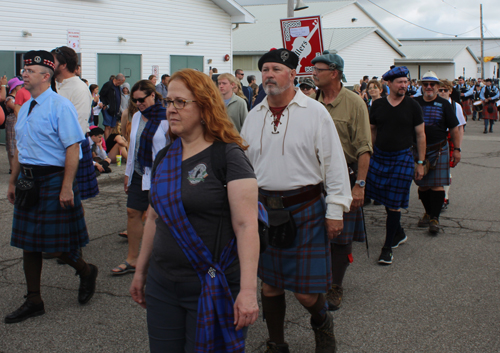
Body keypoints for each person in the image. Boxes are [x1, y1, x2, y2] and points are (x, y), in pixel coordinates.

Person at [130, 68, 259, 352]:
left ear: (204, 107)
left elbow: (247, 226)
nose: (171, 109)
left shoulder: (228, 156)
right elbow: (153, 216)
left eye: (181, 102)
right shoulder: (165, 155)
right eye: (168, 102)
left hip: (210, 279)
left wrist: (249, 291)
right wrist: (141, 271)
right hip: (162, 282)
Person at [241, 48, 352, 353]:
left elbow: (334, 164)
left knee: (305, 293)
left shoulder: (314, 113)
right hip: (264, 210)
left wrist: (335, 210)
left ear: (292, 74)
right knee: (270, 284)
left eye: (276, 69)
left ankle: (322, 322)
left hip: (306, 208)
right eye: (265, 69)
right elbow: (244, 166)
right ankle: (277, 343)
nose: (269, 75)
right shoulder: (254, 115)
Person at [4, 51, 98, 324]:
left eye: (30, 70)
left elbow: (72, 147)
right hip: (28, 180)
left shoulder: (60, 105)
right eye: (24, 70)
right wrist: (12, 182)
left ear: (46, 76)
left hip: (54, 179)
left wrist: (67, 186)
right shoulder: (27, 108)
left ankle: (86, 270)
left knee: (56, 246)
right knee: (28, 244)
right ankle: (34, 300)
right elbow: (22, 149)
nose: (24, 73)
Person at [311, 50, 372, 311]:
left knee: (340, 237)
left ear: (334, 73)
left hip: (344, 177)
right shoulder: (310, 102)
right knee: (316, 233)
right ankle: (316, 279)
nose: (313, 74)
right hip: (313, 179)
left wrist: (359, 185)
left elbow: (364, 148)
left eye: (318, 70)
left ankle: (336, 285)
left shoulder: (355, 102)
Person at [365, 66, 426, 264]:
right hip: (380, 157)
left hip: (402, 158)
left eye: (406, 82)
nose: (404, 85)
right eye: (400, 82)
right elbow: (372, 131)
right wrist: (370, 155)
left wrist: (420, 163)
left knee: (394, 204)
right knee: (386, 200)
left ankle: (387, 247)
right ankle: (398, 232)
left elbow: (420, 135)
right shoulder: (379, 105)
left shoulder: (413, 105)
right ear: (388, 84)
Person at [112, 80, 169, 275]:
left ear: (153, 95)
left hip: (160, 176)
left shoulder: (166, 118)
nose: (138, 104)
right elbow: (133, 147)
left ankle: (162, 260)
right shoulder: (136, 117)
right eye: (135, 100)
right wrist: (127, 173)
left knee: (161, 218)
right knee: (132, 212)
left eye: (141, 99)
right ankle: (132, 259)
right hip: (139, 173)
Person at [414, 71, 461, 234]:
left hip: (439, 148)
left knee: (436, 185)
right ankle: (428, 212)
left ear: (437, 87)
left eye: (432, 84)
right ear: (421, 86)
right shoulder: (414, 102)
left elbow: (455, 128)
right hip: (417, 150)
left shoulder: (445, 104)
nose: (428, 87)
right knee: (422, 185)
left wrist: (457, 149)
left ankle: (435, 217)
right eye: (425, 84)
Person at [52, 46, 98, 201]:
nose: (49, 65)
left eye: (53, 61)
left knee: (73, 200)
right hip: (56, 147)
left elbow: (75, 128)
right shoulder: (55, 85)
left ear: (63, 65)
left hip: (72, 145)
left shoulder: (79, 88)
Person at [438, 79, 466, 210]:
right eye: (440, 90)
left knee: (446, 169)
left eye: (445, 90)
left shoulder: (456, 106)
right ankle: (436, 195)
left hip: (450, 137)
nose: (443, 92)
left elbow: (460, 128)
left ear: (450, 91)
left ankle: (445, 196)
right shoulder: (434, 104)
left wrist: (458, 147)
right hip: (437, 138)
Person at [4, 77, 25, 173]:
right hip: (12, 122)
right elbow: (16, 107)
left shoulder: (19, 98)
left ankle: (17, 166)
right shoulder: (10, 98)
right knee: (12, 144)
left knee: (18, 143)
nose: (21, 86)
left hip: (19, 121)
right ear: (15, 87)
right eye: (19, 85)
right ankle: (12, 168)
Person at [100, 73, 126, 139]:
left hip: (115, 110)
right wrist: (104, 104)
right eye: (122, 81)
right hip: (108, 109)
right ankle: (107, 143)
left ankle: (109, 141)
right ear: (119, 80)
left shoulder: (118, 87)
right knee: (108, 126)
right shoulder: (108, 85)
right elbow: (102, 94)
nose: (122, 83)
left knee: (112, 127)